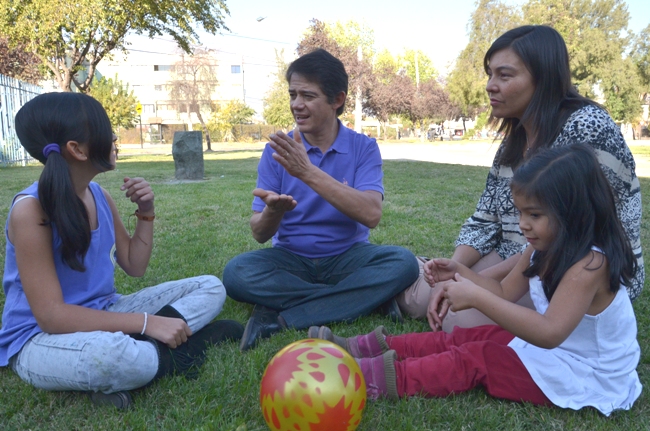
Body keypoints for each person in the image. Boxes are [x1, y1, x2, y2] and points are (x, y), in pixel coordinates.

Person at [309, 144, 642, 416]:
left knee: (478, 357)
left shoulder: (590, 265)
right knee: (473, 335)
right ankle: (361, 348)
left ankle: (369, 379)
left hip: (585, 373)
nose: (524, 225)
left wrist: (477, 298)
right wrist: (459, 274)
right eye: (521, 213)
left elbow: (550, 332)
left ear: (574, 212)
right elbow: (503, 290)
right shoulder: (542, 246)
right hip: (556, 354)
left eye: (535, 215)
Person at [0, 92, 243, 409]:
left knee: (210, 286)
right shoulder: (30, 211)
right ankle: (176, 351)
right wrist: (146, 323)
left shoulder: (97, 193)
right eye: (105, 129)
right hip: (37, 340)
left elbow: (134, 265)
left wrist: (146, 209)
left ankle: (151, 349)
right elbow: (51, 317)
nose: (115, 137)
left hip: (106, 311)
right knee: (114, 356)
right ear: (77, 149)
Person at [397, 25, 644, 330]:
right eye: (490, 74)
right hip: (516, 259)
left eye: (504, 75)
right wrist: (456, 269)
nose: (490, 85)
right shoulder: (513, 141)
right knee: (426, 290)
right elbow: (484, 220)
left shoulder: (589, 127)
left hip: (569, 266)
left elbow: (583, 233)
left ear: (543, 78)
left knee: (459, 317)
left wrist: (475, 283)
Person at [222, 49, 419, 351]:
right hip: (291, 261)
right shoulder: (277, 150)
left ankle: (282, 317)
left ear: (337, 100)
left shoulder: (363, 148)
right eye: (292, 94)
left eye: (308, 96)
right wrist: (272, 212)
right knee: (236, 273)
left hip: (348, 257)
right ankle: (360, 299)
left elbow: (371, 215)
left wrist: (307, 172)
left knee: (403, 263)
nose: (296, 105)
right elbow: (260, 234)